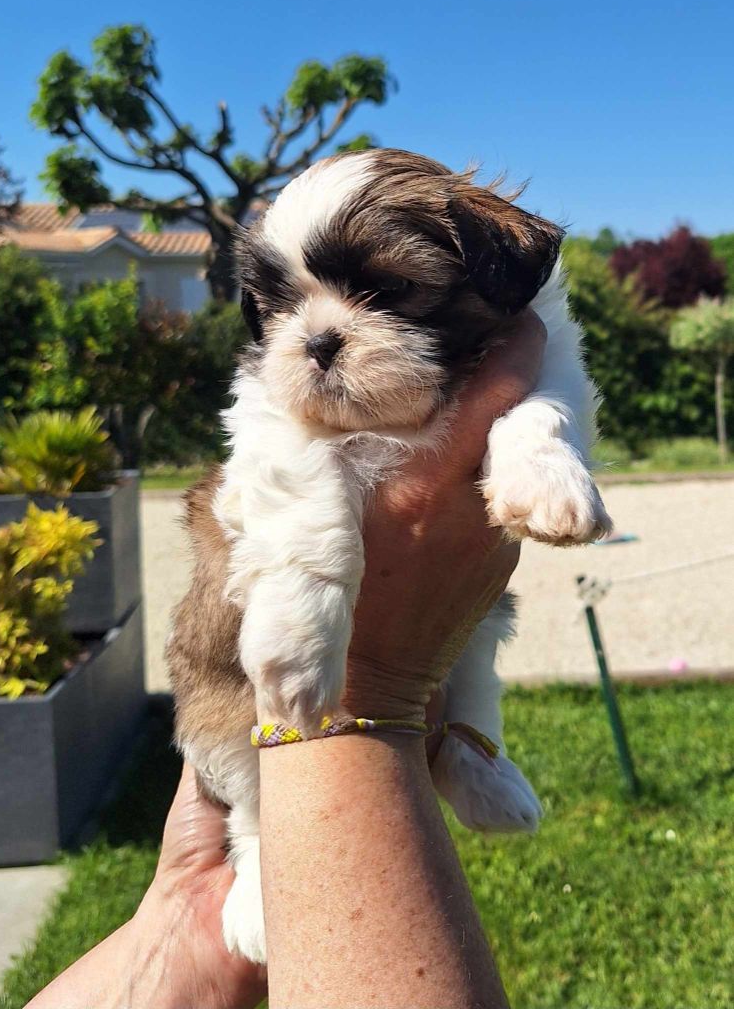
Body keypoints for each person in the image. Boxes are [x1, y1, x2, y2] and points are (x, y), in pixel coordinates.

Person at [27, 310, 546, 1009]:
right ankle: (253, 846)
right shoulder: (279, 404)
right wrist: (371, 689)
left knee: (480, 630)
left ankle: (469, 748)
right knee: (246, 742)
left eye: (388, 294)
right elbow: (271, 483)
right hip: (238, 695)